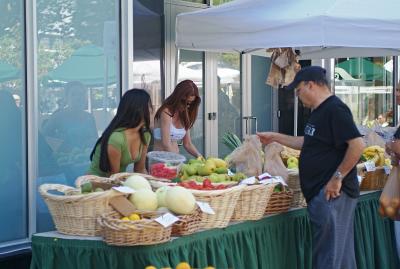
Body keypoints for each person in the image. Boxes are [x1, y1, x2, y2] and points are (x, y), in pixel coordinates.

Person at [257, 66, 365, 269]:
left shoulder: (335, 109)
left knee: (330, 256)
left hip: (332, 194)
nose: (298, 97)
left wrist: (337, 178)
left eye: (298, 91)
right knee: (334, 255)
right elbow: (308, 142)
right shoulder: (319, 112)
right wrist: (275, 137)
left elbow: (357, 145)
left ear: (311, 85)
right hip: (322, 193)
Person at [88, 89, 152, 176]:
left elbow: (140, 170)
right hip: (95, 184)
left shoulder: (145, 135)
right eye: (149, 106)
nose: (152, 110)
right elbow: (113, 177)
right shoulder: (116, 138)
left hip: (117, 181)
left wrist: (150, 185)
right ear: (139, 109)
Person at [41, 81, 98, 153]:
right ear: (66, 98)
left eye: (81, 94)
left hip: (85, 160)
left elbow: (96, 141)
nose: (78, 97)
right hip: (64, 161)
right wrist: (60, 146)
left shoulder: (89, 117)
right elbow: (43, 138)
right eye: (73, 94)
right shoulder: (59, 116)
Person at [153, 79, 202, 158]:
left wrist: (199, 156)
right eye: (184, 102)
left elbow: (187, 144)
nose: (187, 106)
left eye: (190, 103)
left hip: (175, 160)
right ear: (177, 97)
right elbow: (166, 144)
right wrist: (177, 160)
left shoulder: (185, 115)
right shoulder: (166, 112)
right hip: (161, 160)